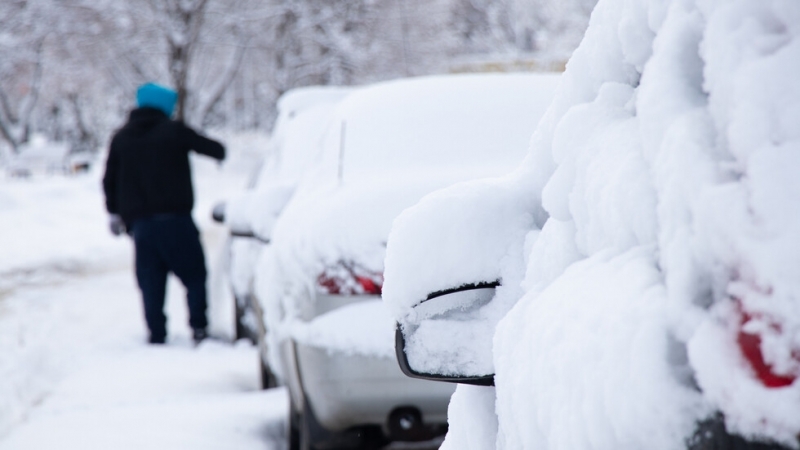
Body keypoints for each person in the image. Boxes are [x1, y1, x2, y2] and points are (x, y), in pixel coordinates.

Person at [103, 82, 225, 345]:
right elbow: (215, 149)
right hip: (177, 221)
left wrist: (114, 213)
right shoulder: (174, 131)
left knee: (150, 281)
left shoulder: (121, 138)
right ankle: (199, 329)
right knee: (194, 276)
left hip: (141, 227)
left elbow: (109, 179)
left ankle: (156, 334)